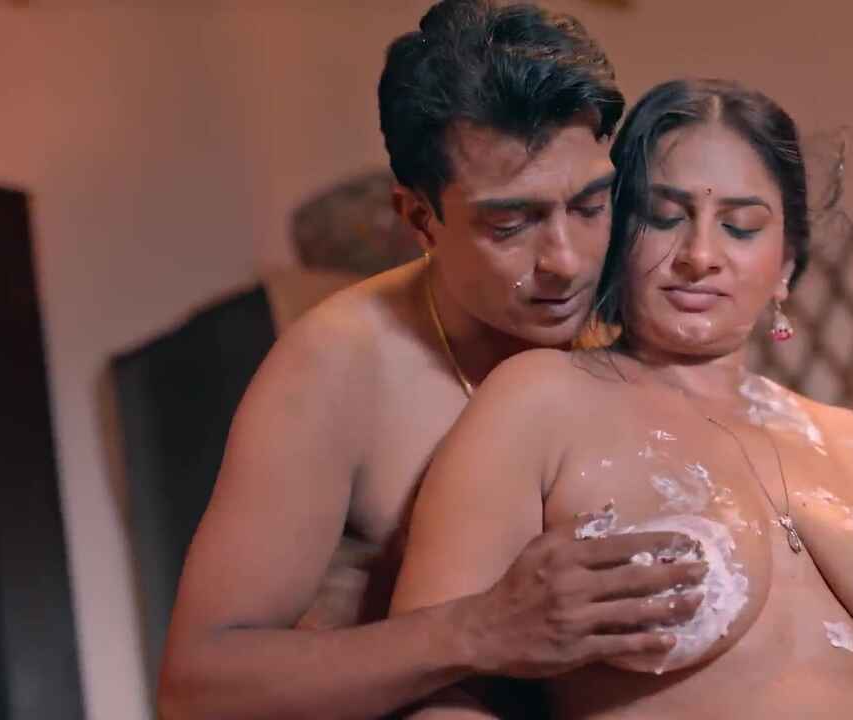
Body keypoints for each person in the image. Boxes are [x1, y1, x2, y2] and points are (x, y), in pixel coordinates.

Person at [390, 78, 853, 719]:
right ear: (617, 234)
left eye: (740, 226)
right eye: (664, 217)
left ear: (787, 263)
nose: (700, 255)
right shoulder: (540, 400)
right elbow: (435, 685)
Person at [157, 4, 709, 718]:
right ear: (419, 219)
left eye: (589, 205)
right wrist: (477, 630)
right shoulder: (340, 365)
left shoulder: (634, 315)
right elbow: (196, 689)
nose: (566, 262)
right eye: (510, 223)